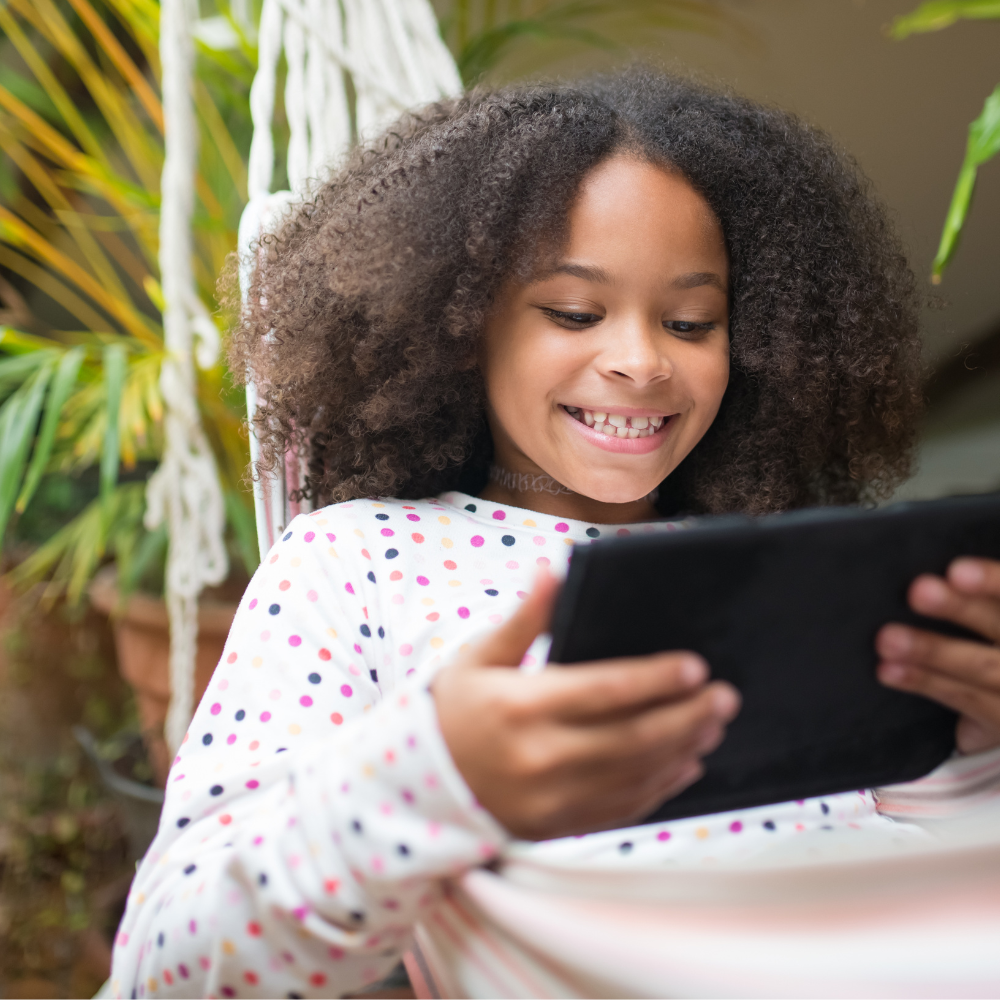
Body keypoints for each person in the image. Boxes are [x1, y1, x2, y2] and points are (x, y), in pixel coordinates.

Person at [109, 70, 1000, 998]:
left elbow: (894, 855)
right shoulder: (358, 561)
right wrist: (433, 778)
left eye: (691, 322)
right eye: (575, 312)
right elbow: (165, 967)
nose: (641, 360)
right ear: (460, 325)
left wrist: (970, 756)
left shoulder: (790, 564)